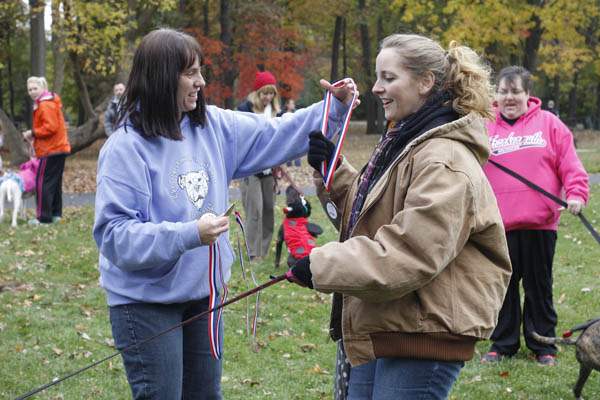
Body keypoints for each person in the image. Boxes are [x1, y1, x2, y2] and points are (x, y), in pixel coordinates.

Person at [92, 28, 357, 400]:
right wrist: (189, 234)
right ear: (161, 77)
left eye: (201, 71)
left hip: (204, 296)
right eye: (190, 73)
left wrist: (335, 107)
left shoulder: (213, 127)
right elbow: (115, 236)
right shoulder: (125, 148)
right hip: (145, 302)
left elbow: (277, 133)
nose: (201, 81)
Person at [286, 33, 512, 399]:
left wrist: (320, 265)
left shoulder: (443, 160)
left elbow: (408, 252)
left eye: (389, 78)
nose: (376, 88)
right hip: (390, 321)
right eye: (377, 77)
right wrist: (334, 172)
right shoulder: (406, 141)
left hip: (424, 332)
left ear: (426, 83)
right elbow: (373, 218)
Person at [481, 66, 589, 367]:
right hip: (498, 226)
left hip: (540, 224)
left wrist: (576, 194)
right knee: (502, 289)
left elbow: (570, 165)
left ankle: (543, 345)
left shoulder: (550, 125)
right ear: (496, 95)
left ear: (528, 94)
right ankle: (502, 344)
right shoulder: (483, 127)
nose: (509, 97)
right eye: (503, 91)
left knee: (539, 287)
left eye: (516, 91)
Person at [236, 70, 282, 260]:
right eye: (264, 93)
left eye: (271, 93)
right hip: (251, 169)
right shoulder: (244, 111)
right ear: (257, 93)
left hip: (269, 169)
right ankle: (253, 253)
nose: (268, 97)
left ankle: (263, 249)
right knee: (255, 210)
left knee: (269, 210)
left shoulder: (277, 113)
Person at [22, 76, 70, 225]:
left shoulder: (45, 104)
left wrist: (32, 133)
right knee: (54, 183)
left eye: (35, 88)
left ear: (43, 88)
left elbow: (51, 127)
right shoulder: (46, 103)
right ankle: (56, 214)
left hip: (51, 150)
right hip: (58, 148)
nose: (32, 92)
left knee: (43, 183)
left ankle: (44, 218)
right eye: (30, 89)